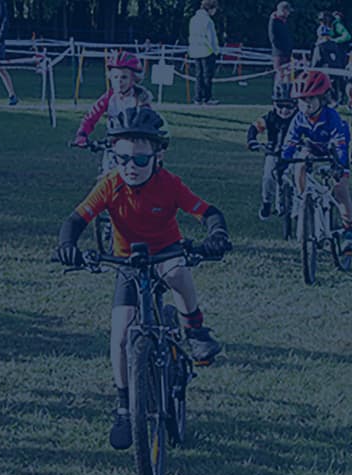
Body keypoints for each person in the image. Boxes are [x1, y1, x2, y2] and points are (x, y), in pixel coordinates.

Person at [52, 107, 231, 450]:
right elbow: (75, 220)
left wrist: (217, 233)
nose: (130, 167)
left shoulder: (170, 184)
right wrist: (67, 245)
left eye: (140, 159)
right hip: (127, 263)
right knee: (120, 336)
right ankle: (123, 405)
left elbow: (208, 212)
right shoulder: (110, 185)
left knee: (179, 272)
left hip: (166, 252)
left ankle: (195, 330)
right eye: (121, 159)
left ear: (158, 156)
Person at [280, 70, 352, 253]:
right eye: (301, 100)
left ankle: (350, 230)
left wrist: (340, 166)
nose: (305, 104)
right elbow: (290, 143)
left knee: (340, 189)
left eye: (310, 99)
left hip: (334, 151)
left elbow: (339, 145)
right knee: (299, 163)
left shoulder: (332, 117)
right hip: (312, 148)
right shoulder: (298, 118)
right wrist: (283, 160)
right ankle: (302, 200)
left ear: (322, 99)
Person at [71, 51, 152, 151]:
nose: (119, 81)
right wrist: (82, 134)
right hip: (112, 145)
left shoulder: (140, 99)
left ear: (134, 79)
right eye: (115, 77)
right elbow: (91, 116)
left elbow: (149, 124)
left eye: (124, 77)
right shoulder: (109, 97)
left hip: (134, 147)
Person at [248, 85, 297, 219]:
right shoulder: (270, 117)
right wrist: (252, 140)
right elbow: (254, 127)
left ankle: (298, 204)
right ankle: (267, 202)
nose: (284, 110)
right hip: (274, 151)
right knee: (268, 177)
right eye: (280, 106)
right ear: (274, 104)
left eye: (289, 106)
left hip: (294, 154)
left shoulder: (299, 118)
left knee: (298, 175)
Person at [187, 0, 220, 105]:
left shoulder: (193, 19)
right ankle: (207, 98)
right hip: (207, 51)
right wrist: (216, 51)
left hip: (195, 50)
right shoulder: (208, 21)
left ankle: (197, 97)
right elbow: (211, 38)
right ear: (210, 8)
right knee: (207, 76)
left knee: (198, 75)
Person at [268, 1, 292, 83]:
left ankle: (286, 92)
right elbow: (273, 39)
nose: (288, 13)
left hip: (287, 53)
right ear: (283, 10)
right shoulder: (274, 21)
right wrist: (281, 51)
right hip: (279, 54)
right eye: (287, 11)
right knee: (280, 74)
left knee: (288, 74)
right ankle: (277, 93)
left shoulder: (284, 22)